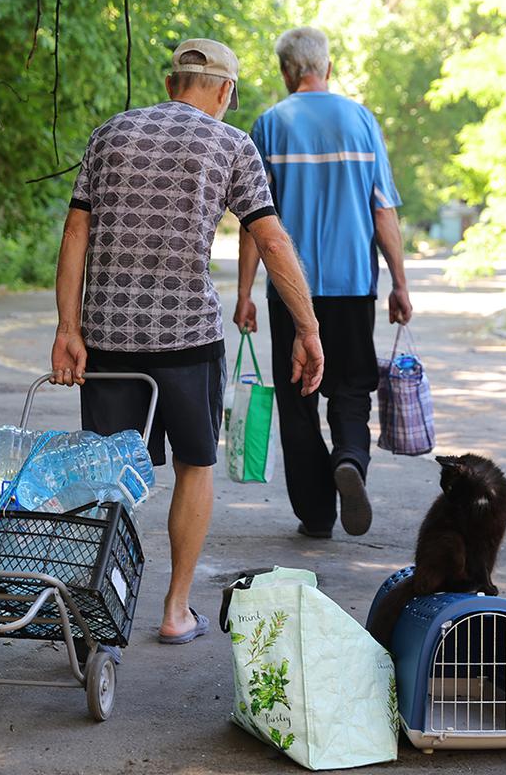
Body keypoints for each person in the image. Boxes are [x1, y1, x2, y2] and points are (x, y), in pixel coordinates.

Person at [49, 39, 324, 644]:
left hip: (108, 338)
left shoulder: (109, 135)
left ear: (173, 83)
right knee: (195, 465)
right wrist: (308, 328)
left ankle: (92, 611)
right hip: (187, 340)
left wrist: (68, 330)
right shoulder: (231, 145)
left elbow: (75, 230)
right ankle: (175, 611)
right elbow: (273, 243)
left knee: (105, 477)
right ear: (224, 91)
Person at [235, 26, 411, 539]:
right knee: (352, 387)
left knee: (298, 400)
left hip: (292, 292)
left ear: (287, 72)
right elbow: (384, 211)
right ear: (327, 68)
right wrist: (399, 282)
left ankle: (316, 514)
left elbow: (255, 222)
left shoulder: (270, 125)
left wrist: (245, 292)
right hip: (355, 285)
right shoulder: (362, 121)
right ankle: (351, 459)